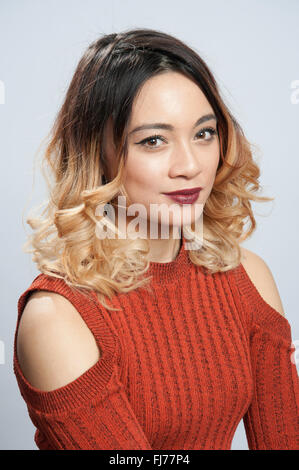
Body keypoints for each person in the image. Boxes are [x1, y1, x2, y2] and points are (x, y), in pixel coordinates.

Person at [14, 28, 299, 450]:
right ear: (98, 154)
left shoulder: (247, 278)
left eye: (204, 133)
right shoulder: (58, 318)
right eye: (153, 141)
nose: (189, 165)